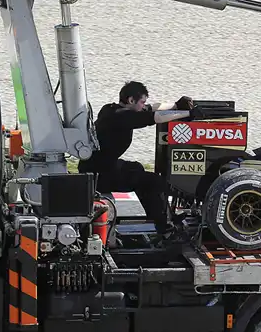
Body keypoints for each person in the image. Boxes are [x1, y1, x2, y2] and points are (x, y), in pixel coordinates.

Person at [77, 80, 194, 237]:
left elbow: (152, 108)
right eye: (141, 102)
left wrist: (175, 105)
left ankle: (158, 216)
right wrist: (188, 114)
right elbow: (155, 117)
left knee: (137, 168)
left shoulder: (111, 109)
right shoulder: (121, 117)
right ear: (131, 100)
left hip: (98, 166)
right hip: (99, 175)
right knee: (153, 181)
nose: (143, 105)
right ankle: (165, 227)